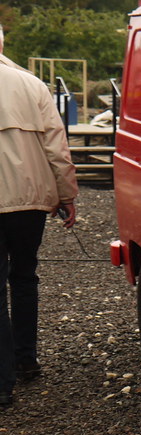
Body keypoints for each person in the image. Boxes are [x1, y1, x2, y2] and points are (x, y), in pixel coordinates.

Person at [0, 24, 78, 408]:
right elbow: (56, 147)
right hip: (29, 201)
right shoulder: (32, 86)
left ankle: (2, 383)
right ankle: (25, 359)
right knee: (25, 276)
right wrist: (67, 195)